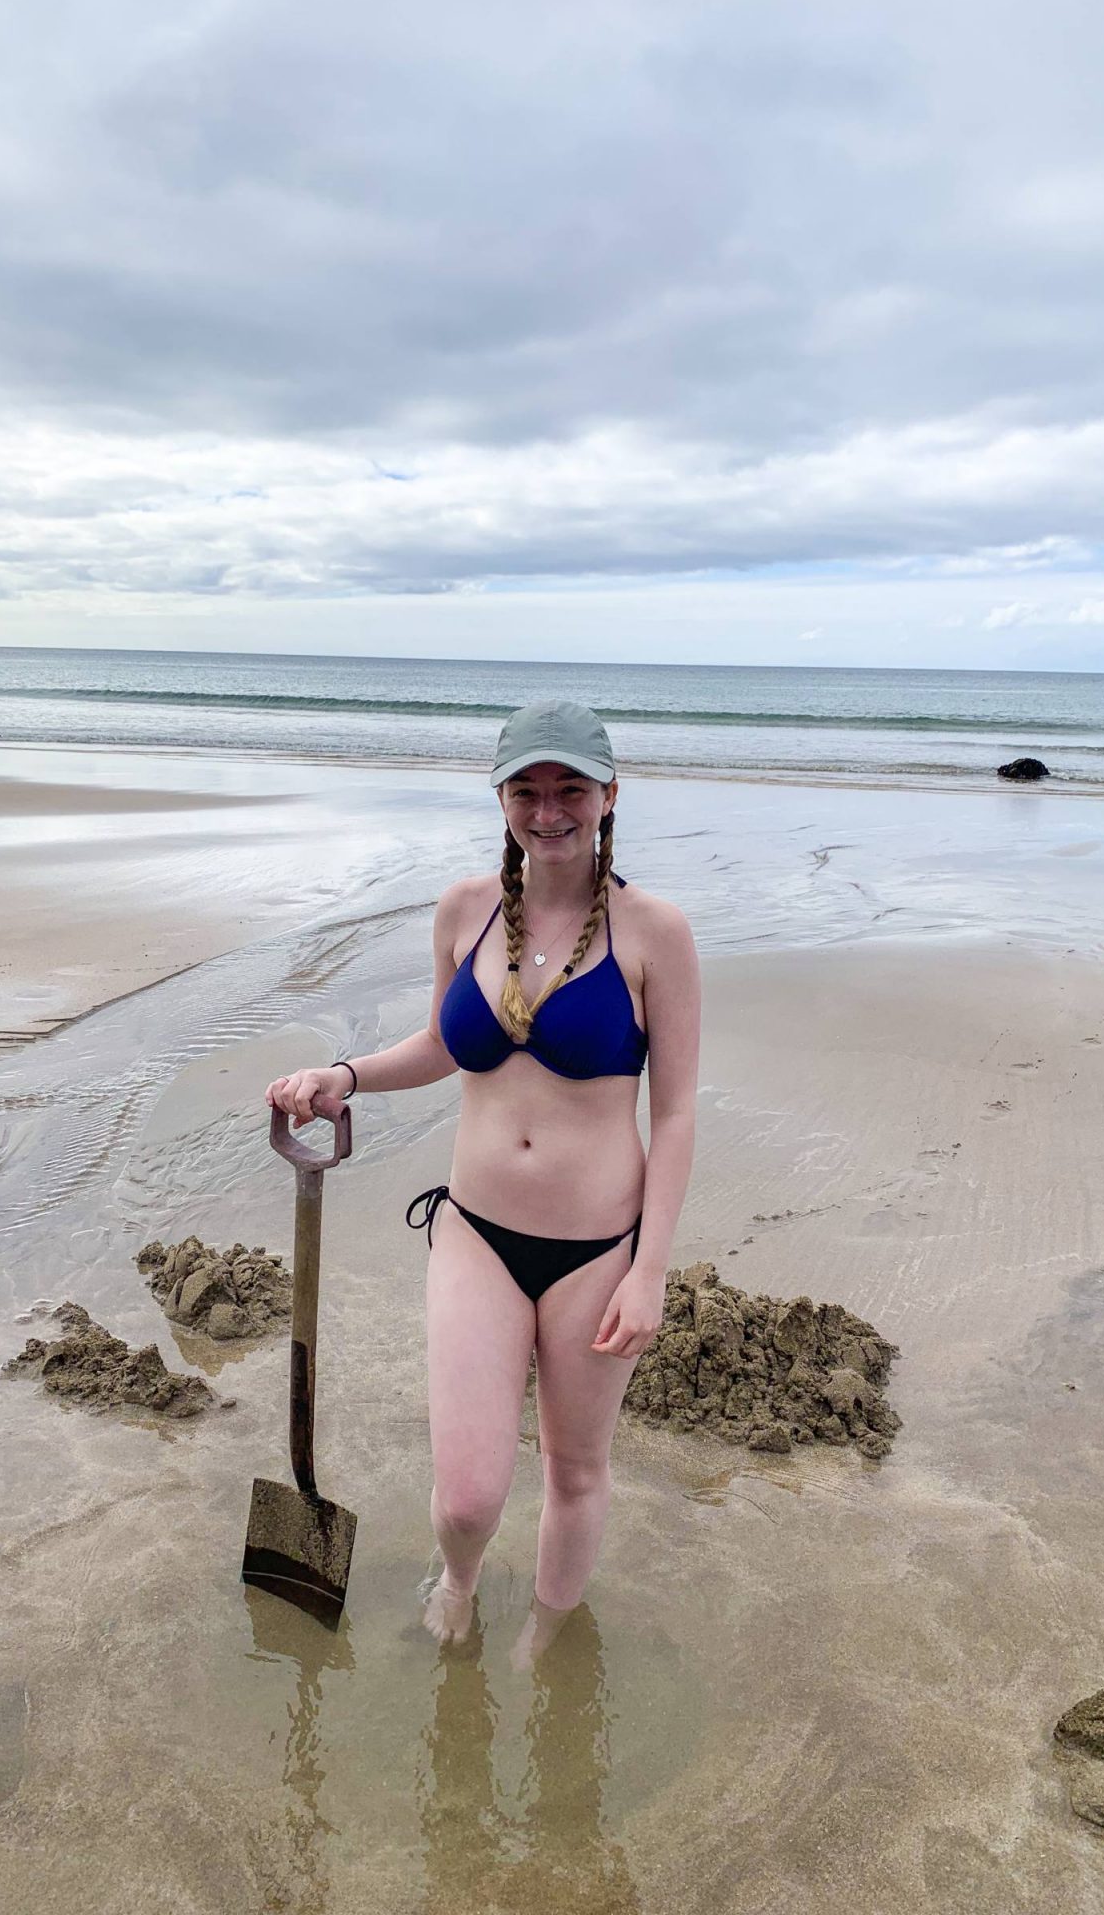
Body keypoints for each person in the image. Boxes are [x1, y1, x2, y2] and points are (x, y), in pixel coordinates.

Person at [266, 700, 701, 1656]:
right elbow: (441, 1044)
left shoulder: (654, 932)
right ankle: (458, 1581)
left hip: (597, 1251)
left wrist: (649, 1271)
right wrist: (344, 1077)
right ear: (500, 797)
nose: (549, 811)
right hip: (476, 1234)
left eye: (570, 789)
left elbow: (673, 1113)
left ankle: (545, 1635)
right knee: (468, 1495)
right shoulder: (464, 911)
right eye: (526, 790)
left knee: (575, 1471)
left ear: (609, 794)